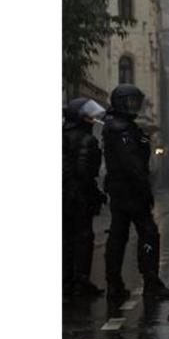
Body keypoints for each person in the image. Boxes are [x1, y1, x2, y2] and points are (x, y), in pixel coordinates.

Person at [102, 85, 169, 302]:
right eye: (131, 102)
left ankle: (114, 284)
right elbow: (132, 164)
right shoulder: (121, 129)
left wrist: (143, 140)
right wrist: (144, 187)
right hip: (131, 190)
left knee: (118, 236)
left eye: (136, 102)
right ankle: (150, 283)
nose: (135, 106)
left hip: (120, 191)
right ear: (121, 102)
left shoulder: (121, 127)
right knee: (148, 233)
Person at [63, 98, 107, 297]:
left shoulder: (62, 136)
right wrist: (95, 194)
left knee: (66, 239)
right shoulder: (86, 140)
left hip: (65, 197)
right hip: (78, 197)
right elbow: (84, 172)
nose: (92, 119)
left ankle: (66, 281)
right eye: (89, 116)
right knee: (83, 238)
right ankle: (81, 280)